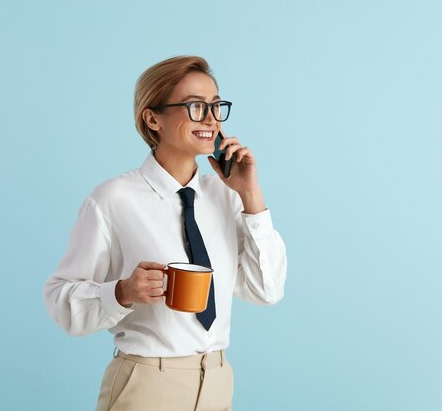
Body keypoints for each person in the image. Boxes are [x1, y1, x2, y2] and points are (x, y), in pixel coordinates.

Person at [43, 56, 287, 411]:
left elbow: (266, 290)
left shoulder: (225, 196)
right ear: (152, 117)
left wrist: (251, 196)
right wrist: (122, 292)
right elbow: (60, 300)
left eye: (216, 106)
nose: (211, 118)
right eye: (195, 106)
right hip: (146, 385)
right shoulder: (113, 199)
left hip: (217, 381)